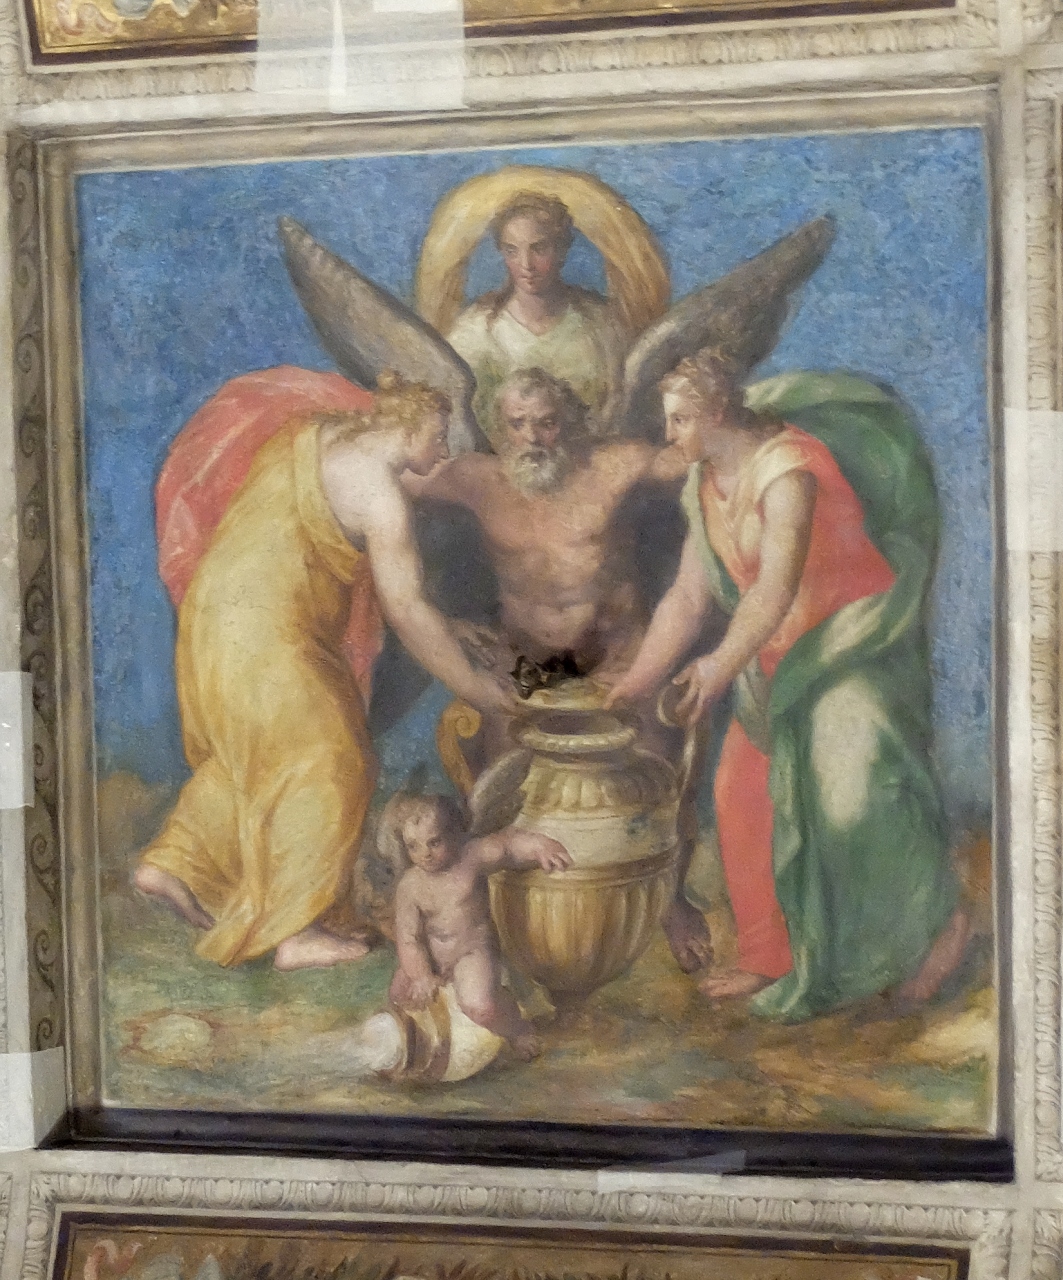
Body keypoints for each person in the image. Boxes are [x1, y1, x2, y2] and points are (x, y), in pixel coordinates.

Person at [606, 350, 970, 1021]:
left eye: (680, 419)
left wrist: (717, 666)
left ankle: (934, 931)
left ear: (718, 412)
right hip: (772, 659)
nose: (670, 434)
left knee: (852, 796)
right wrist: (632, 682)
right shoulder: (702, 483)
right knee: (738, 795)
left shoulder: (787, 471)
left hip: (847, 647)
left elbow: (774, 589)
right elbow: (686, 599)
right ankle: (766, 954)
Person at [134, 372, 514, 972]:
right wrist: (481, 693)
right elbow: (407, 612)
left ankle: (175, 865)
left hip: (216, 622)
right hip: (267, 640)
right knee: (334, 763)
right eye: (439, 437)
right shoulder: (380, 498)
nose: (444, 451)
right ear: (409, 428)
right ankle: (294, 931)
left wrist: (453, 628)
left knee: (259, 757)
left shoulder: (317, 432)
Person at [405, 365, 712, 975]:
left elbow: (692, 458)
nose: (532, 437)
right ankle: (492, 919)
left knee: (661, 782)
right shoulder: (475, 479)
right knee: (498, 793)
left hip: (616, 656)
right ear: (497, 428)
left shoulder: (613, 464)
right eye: (517, 424)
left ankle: (672, 901)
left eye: (546, 423)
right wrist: (444, 621)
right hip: (527, 667)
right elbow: (388, 477)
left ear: (570, 422)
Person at [381, 791, 572, 1060]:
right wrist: (422, 975)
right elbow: (408, 939)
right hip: (430, 957)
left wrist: (540, 846)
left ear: (453, 834)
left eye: (434, 842)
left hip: (471, 951)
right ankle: (423, 1047)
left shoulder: (471, 857)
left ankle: (517, 1028)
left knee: (481, 1008)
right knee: (400, 997)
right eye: (414, 846)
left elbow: (507, 845)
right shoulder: (410, 886)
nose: (425, 854)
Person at [446, 191, 626, 448]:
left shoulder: (600, 323)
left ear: (561, 250)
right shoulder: (476, 329)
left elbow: (617, 405)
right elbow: (458, 415)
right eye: (512, 251)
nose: (526, 264)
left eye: (539, 249)